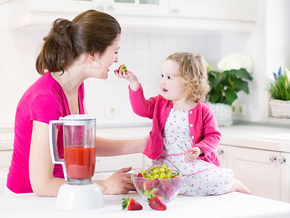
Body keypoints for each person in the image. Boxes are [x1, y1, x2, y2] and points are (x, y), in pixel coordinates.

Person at [6, 10, 148, 197]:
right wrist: (104, 186)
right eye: (114, 51)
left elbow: (82, 142)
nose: (116, 59)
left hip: (65, 191)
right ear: (92, 54)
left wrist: (140, 145)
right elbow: (42, 185)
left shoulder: (76, 87)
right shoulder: (47, 98)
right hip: (30, 199)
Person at [115, 52, 252, 196]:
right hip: (166, 164)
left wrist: (199, 149)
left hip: (191, 164)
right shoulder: (160, 103)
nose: (163, 81)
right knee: (152, 182)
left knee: (206, 179)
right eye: (162, 76)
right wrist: (133, 83)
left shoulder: (203, 110)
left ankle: (235, 184)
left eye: (169, 77)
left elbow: (213, 136)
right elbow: (141, 109)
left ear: (189, 82)